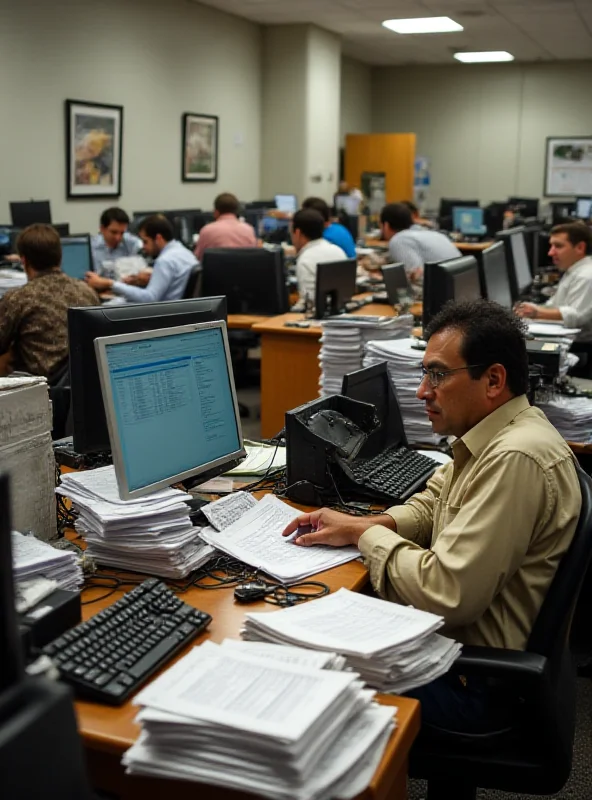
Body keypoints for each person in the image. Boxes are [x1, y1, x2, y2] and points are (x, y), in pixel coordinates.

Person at [283, 299, 581, 732]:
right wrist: (365, 525)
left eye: (438, 374)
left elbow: (446, 593)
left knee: (297, 664)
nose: (423, 390)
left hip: (474, 684)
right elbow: (432, 502)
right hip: (460, 654)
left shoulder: (516, 457)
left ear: (494, 379)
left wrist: (366, 540)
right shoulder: (493, 435)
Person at [0, 224, 99, 379]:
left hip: (44, 392)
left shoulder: (18, 298)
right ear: (60, 257)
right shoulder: (87, 291)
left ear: (24, 261)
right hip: (85, 385)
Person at [85, 215, 196, 303]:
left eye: (145, 241)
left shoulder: (165, 261)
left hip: (162, 315)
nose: (143, 246)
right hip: (180, 310)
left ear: (158, 238)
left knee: (111, 305)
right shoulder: (185, 253)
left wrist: (111, 284)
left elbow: (149, 298)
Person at [515, 222, 592, 341]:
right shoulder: (574, 270)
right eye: (551, 246)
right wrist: (532, 309)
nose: (550, 253)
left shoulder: (586, 276)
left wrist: (536, 313)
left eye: (558, 246)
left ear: (580, 247)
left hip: (580, 348)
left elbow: (577, 317)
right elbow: (555, 305)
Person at [380, 202, 460, 286]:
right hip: (461, 289)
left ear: (386, 225)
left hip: (442, 292)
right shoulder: (433, 234)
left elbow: (416, 277)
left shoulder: (398, 240)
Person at [292, 209, 347, 303]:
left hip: (318, 315)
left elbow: (309, 302)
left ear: (297, 233)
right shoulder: (338, 250)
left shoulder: (305, 260)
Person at [194, 193, 257, 262]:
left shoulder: (206, 230)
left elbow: (198, 258)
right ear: (236, 211)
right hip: (243, 271)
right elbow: (253, 256)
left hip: (215, 272)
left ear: (216, 212)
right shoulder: (248, 229)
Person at [91, 207, 143, 277]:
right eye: (114, 232)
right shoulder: (91, 247)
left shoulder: (132, 243)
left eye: (122, 233)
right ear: (102, 229)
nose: (118, 237)